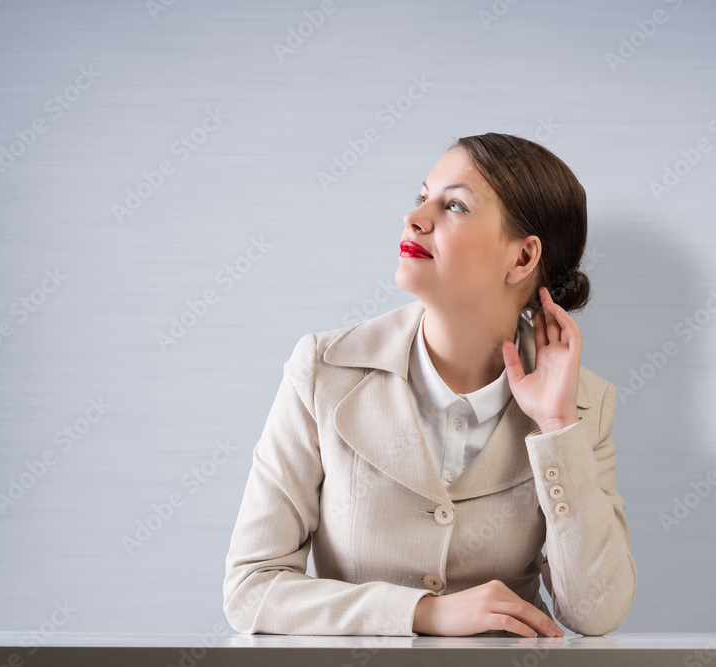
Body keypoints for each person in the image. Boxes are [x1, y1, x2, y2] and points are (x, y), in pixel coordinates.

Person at [223, 132, 636, 638]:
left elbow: (597, 612)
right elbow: (251, 589)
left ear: (522, 258)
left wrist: (556, 427)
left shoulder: (583, 406)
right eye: (422, 197)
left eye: (455, 205)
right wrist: (422, 612)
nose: (414, 217)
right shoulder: (323, 371)